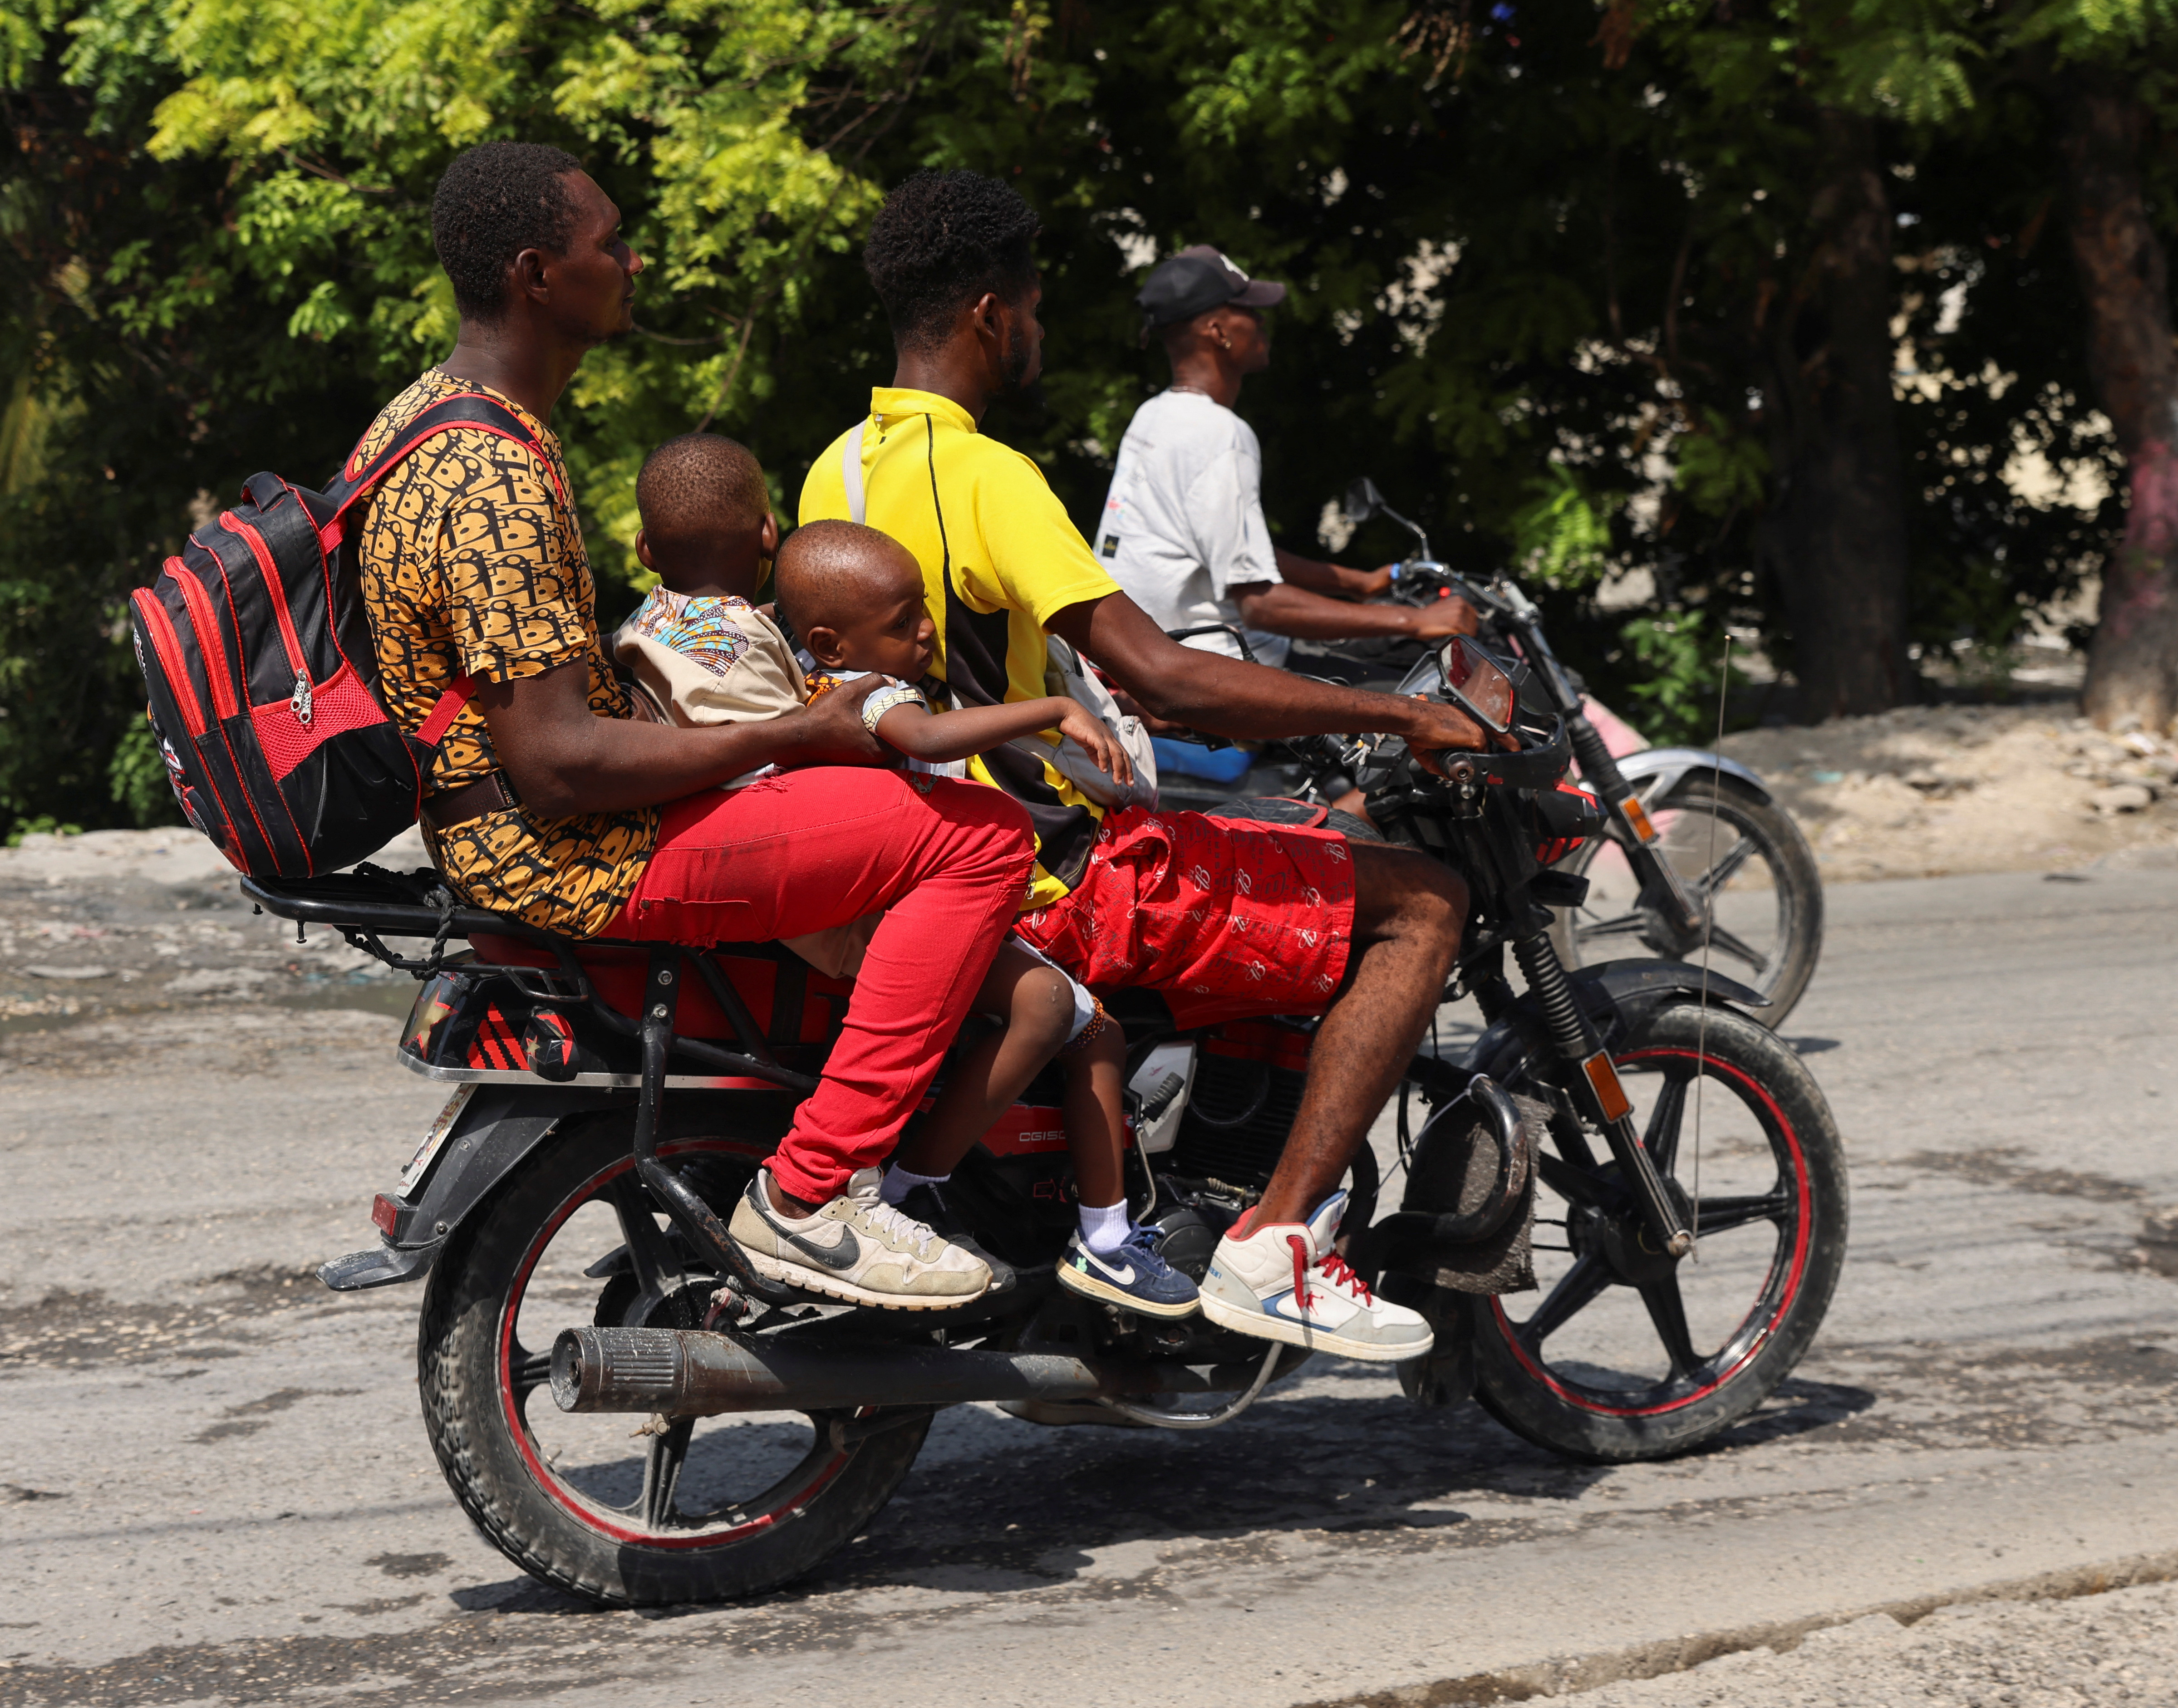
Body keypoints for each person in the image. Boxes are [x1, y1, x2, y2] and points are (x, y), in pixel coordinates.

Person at [796, 170, 1491, 1363]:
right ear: (985, 315)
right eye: (1032, 305)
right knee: (1425, 902)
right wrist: (1396, 712)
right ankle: (1275, 1247)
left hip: (905, 858)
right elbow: (1163, 672)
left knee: (1288, 874)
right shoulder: (986, 477)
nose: (1040, 329)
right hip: (1046, 875)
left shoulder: (834, 470)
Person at [357, 140, 1031, 1314]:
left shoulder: (420, 423)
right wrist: (791, 739)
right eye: (606, 243)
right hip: (571, 852)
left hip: (523, 827)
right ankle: (814, 1191)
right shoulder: (490, 476)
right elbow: (560, 762)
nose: (629, 260)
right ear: (534, 274)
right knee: (980, 834)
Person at [776, 520, 1197, 1317]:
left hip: (898, 905)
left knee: (1081, 1017)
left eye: (922, 610)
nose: (927, 630)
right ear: (831, 642)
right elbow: (929, 737)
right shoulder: (872, 696)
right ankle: (935, 1197)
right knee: (1066, 1013)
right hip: (912, 916)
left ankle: (1076, 1222)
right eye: (903, 623)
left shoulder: (819, 681)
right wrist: (1054, 708)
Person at [1095, 244, 1478, 689]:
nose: (1261, 321)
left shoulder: (1156, 415)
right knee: (1439, 705)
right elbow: (1261, 605)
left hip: (1148, 653)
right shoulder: (1221, 434)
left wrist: (1359, 583)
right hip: (1213, 666)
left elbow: (1234, 556)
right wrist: (1413, 621)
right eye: (1248, 310)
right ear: (1218, 331)